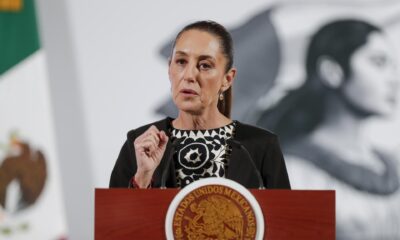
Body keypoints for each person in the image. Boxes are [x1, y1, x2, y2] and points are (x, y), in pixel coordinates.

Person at [257, 19, 399, 239]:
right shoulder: (294, 174)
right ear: (332, 72)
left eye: (394, 67)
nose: (394, 79)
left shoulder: (391, 164)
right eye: (378, 63)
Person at [109, 20, 290, 189]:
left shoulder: (262, 145)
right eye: (181, 62)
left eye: (204, 65)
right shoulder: (140, 145)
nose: (189, 75)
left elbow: (288, 219)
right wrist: (143, 176)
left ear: (227, 79)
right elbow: (115, 220)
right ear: (169, 69)